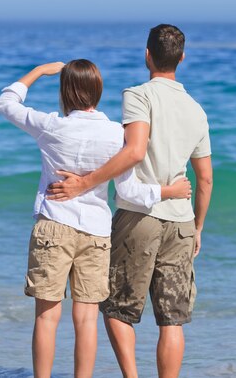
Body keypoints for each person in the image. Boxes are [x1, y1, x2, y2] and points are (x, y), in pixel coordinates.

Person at [0, 59, 191, 378]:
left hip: (54, 226)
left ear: (65, 92)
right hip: (97, 233)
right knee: (86, 319)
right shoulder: (117, 134)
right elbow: (129, 191)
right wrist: (167, 191)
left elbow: (5, 102)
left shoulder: (51, 126)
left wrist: (37, 72)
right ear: (98, 92)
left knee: (46, 318)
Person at [47, 25, 213, 378]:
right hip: (181, 221)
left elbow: (135, 151)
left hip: (139, 217)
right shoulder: (197, 110)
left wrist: (87, 183)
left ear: (147, 55)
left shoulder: (138, 95)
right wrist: (198, 227)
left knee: (117, 308)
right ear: (182, 58)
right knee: (172, 319)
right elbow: (206, 178)